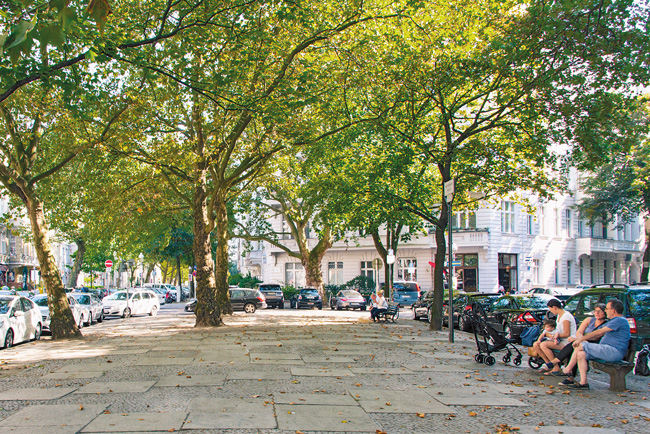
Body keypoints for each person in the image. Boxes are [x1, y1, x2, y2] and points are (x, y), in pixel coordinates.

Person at [559, 299, 631, 389]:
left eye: (607, 309)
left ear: (613, 311)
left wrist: (581, 339)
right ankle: (583, 382)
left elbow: (600, 331)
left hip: (613, 352)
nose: (605, 311)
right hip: (606, 350)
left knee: (580, 345)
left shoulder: (619, 320)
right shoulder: (614, 320)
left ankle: (568, 369)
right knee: (581, 354)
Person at [543, 303, 608, 377]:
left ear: (605, 312)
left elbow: (596, 337)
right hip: (580, 341)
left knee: (574, 345)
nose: (597, 313)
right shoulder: (589, 320)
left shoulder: (606, 324)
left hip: (593, 345)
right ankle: (569, 375)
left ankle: (557, 364)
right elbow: (579, 332)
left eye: (600, 311)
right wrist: (580, 339)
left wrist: (579, 339)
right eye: (595, 311)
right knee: (574, 346)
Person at [537, 299, 577, 372]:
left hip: (566, 342)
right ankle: (548, 364)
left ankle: (555, 367)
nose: (551, 311)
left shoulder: (566, 317)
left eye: (550, 309)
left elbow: (566, 334)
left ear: (554, 307)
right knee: (536, 344)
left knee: (543, 345)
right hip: (559, 340)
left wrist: (554, 336)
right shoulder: (559, 316)